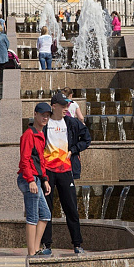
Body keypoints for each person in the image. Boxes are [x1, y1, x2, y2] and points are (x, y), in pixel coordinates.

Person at [38, 92, 91, 256]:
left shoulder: (72, 123)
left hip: (66, 171)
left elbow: (86, 138)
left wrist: (73, 150)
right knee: (46, 209)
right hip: (47, 173)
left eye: (67, 104)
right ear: (54, 106)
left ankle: (77, 244)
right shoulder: (44, 123)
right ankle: (46, 245)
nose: (66, 108)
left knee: (71, 209)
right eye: (63, 105)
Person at [18, 102, 53, 257]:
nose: (45, 117)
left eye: (48, 115)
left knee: (45, 215)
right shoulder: (29, 134)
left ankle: (36, 248)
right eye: (43, 115)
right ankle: (31, 253)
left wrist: (45, 179)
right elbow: (24, 160)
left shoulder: (41, 134)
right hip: (29, 179)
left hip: (37, 179)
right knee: (32, 217)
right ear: (35, 115)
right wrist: (31, 180)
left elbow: (41, 160)